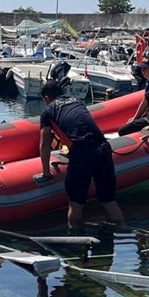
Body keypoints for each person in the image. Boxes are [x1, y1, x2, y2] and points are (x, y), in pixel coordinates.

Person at [38, 79, 125, 228]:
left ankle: (76, 241)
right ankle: (121, 232)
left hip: (82, 153)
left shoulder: (48, 111)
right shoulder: (77, 102)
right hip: (102, 148)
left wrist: (46, 172)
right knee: (108, 200)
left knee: (76, 204)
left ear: (47, 98)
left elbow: (44, 143)